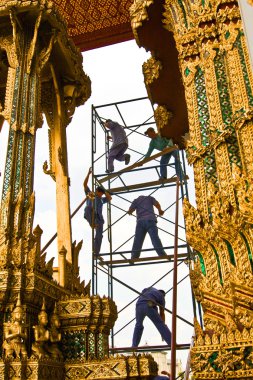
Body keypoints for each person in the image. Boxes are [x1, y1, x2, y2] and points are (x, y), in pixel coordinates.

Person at [83, 167, 112, 257]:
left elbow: (109, 198)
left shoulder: (101, 199)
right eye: (100, 193)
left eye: (101, 194)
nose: (101, 195)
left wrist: (104, 191)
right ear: (97, 191)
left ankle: (96, 253)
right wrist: (88, 174)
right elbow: (84, 184)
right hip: (90, 214)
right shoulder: (90, 194)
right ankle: (92, 223)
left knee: (99, 236)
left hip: (98, 219)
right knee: (88, 208)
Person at [128, 195, 166, 260]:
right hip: (150, 220)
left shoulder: (136, 200)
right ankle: (161, 254)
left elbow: (130, 210)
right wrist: (160, 210)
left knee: (138, 240)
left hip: (140, 221)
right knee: (155, 238)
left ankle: (134, 256)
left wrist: (130, 212)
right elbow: (157, 204)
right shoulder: (150, 198)